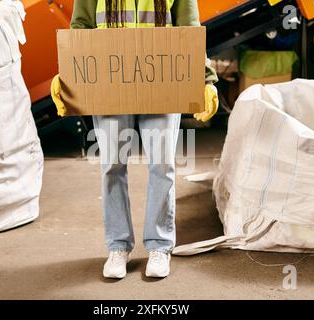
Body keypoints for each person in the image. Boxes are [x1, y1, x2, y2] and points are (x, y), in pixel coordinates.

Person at [51, 0, 219, 279]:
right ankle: (118, 246)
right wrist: (69, 75)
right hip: (109, 81)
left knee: (162, 164)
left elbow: (189, 30)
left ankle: (160, 246)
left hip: (164, 80)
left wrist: (206, 79)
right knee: (112, 165)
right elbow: (80, 27)